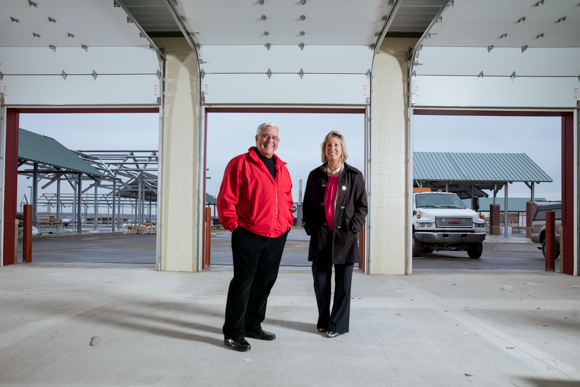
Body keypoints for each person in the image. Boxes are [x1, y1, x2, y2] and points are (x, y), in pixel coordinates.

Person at [217, 122, 294, 352]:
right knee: (243, 283)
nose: (270, 140)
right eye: (265, 136)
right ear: (257, 137)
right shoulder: (240, 163)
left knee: (264, 283)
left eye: (274, 138)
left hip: (277, 235)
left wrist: (287, 223)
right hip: (248, 233)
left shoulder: (283, 168)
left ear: (278, 142)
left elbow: (287, 200)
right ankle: (233, 332)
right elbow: (226, 197)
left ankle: (252, 325)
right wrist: (234, 227)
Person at [302, 131, 368, 338]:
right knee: (321, 283)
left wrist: (355, 227)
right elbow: (308, 205)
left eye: (336, 145)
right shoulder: (315, 175)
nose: (332, 149)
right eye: (329, 145)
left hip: (345, 238)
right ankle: (323, 320)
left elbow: (362, 207)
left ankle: (337, 323)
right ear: (324, 150)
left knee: (343, 285)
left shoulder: (354, 175)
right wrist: (310, 227)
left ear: (342, 149)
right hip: (321, 237)